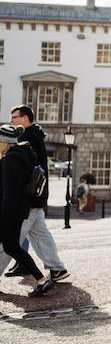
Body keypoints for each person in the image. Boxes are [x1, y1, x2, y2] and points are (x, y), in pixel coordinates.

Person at [7, 105, 67, 281]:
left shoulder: (26, 137)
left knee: (10, 240)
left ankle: (56, 268)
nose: (11, 121)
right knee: (41, 235)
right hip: (36, 197)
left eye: (14, 117)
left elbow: (24, 170)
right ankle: (57, 269)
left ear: (25, 118)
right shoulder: (35, 134)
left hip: (27, 199)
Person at [0, 124, 55, 296]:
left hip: (10, 212)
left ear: (4, 141)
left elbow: (10, 191)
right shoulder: (23, 155)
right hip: (18, 211)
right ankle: (42, 280)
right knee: (12, 248)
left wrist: (5, 215)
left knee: (12, 247)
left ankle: (42, 280)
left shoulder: (11, 160)